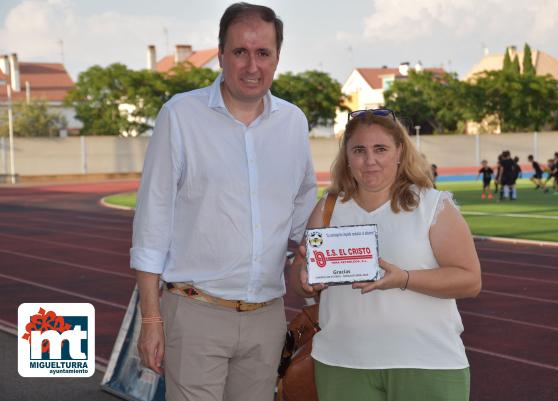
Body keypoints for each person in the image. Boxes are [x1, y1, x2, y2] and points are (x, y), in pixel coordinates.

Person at [130, 4, 317, 401]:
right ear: (220, 55)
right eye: (240, 52)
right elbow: (152, 222)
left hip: (266, 316)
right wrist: (151, 318)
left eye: (263, 53)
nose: (252, 65)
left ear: (277, 58)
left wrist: (312, 259)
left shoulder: (294, 123)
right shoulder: (180, 115)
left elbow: (303, 208)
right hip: (196, 313)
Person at [289, 109, 481, 401]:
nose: (370, 161)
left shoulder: (432, 206)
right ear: (347, 156)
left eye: (381, 149)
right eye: (359, 150)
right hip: (343, 362)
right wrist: (304, 277)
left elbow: (470, 280)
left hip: (425, 362)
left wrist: (403, 279)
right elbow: (301, 274)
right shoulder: (329, 207)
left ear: (400, 152)